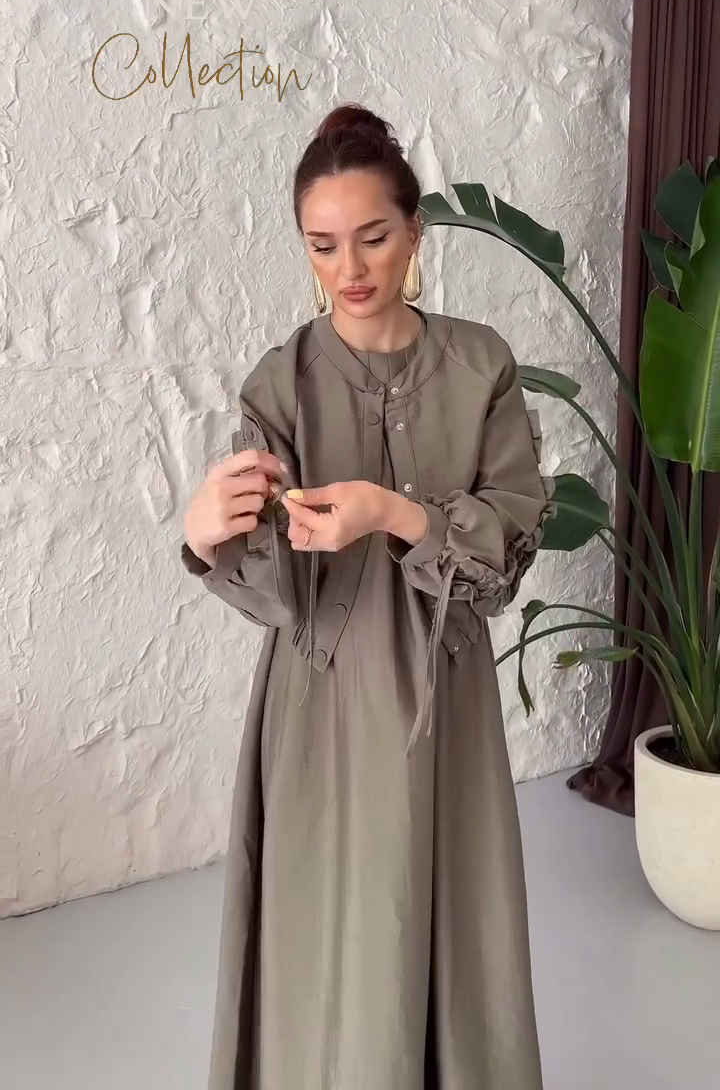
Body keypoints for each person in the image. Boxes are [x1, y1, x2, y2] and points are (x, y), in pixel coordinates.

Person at [181, 103, 555, 1090]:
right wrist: (207, 534)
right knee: (332, 939)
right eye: (323, 244)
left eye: (374, 236)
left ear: (416, 232)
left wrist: (393, 512)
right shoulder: (281, 383)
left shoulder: (480, 365)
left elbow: (507, 556)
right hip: (324, 703)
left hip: (444, 694)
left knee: (451, 932)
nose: (350, 266)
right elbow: (276, 591)